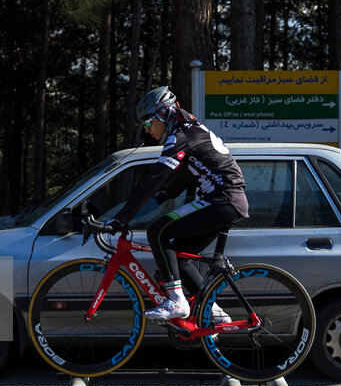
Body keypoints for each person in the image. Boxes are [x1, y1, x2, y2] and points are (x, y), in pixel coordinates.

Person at [106, 86, 249, 321]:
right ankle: (213, 312)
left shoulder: (180, 136)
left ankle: (176, 300)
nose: (147, 131)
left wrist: (122, 218)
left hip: (221, 200)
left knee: (157, 230)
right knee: (180, 258)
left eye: (147, 123)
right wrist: (167, 194)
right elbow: (189, 172)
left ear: (162, 113)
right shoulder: (190, 130)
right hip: (224, 200)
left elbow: (153, 179)